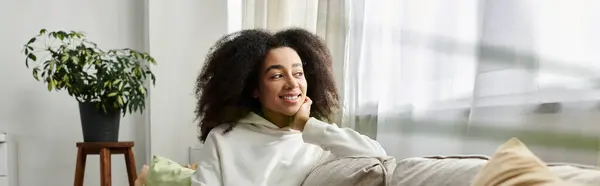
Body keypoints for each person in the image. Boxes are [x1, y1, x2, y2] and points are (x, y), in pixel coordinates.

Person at [191, 28, 387, 186]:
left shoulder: (316, 139)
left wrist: (305, 124)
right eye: (277, 75)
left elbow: (378, 154)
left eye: (298, 73)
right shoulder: (222, 138)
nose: (293, 84)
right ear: (254, 89)